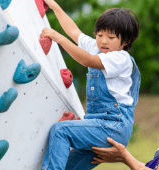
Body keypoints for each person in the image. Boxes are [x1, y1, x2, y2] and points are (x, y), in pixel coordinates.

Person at [40, 0, 140, 170]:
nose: (103, 41)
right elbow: (74, 31)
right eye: (99, 35)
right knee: (69, 167)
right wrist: (54, 6)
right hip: (97, 125)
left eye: (111, 37)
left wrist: (59, 39)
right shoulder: (97, 47)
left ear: (125, 41)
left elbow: (89, 60)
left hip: (112, 126)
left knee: (60, 131)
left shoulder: (120, 58)